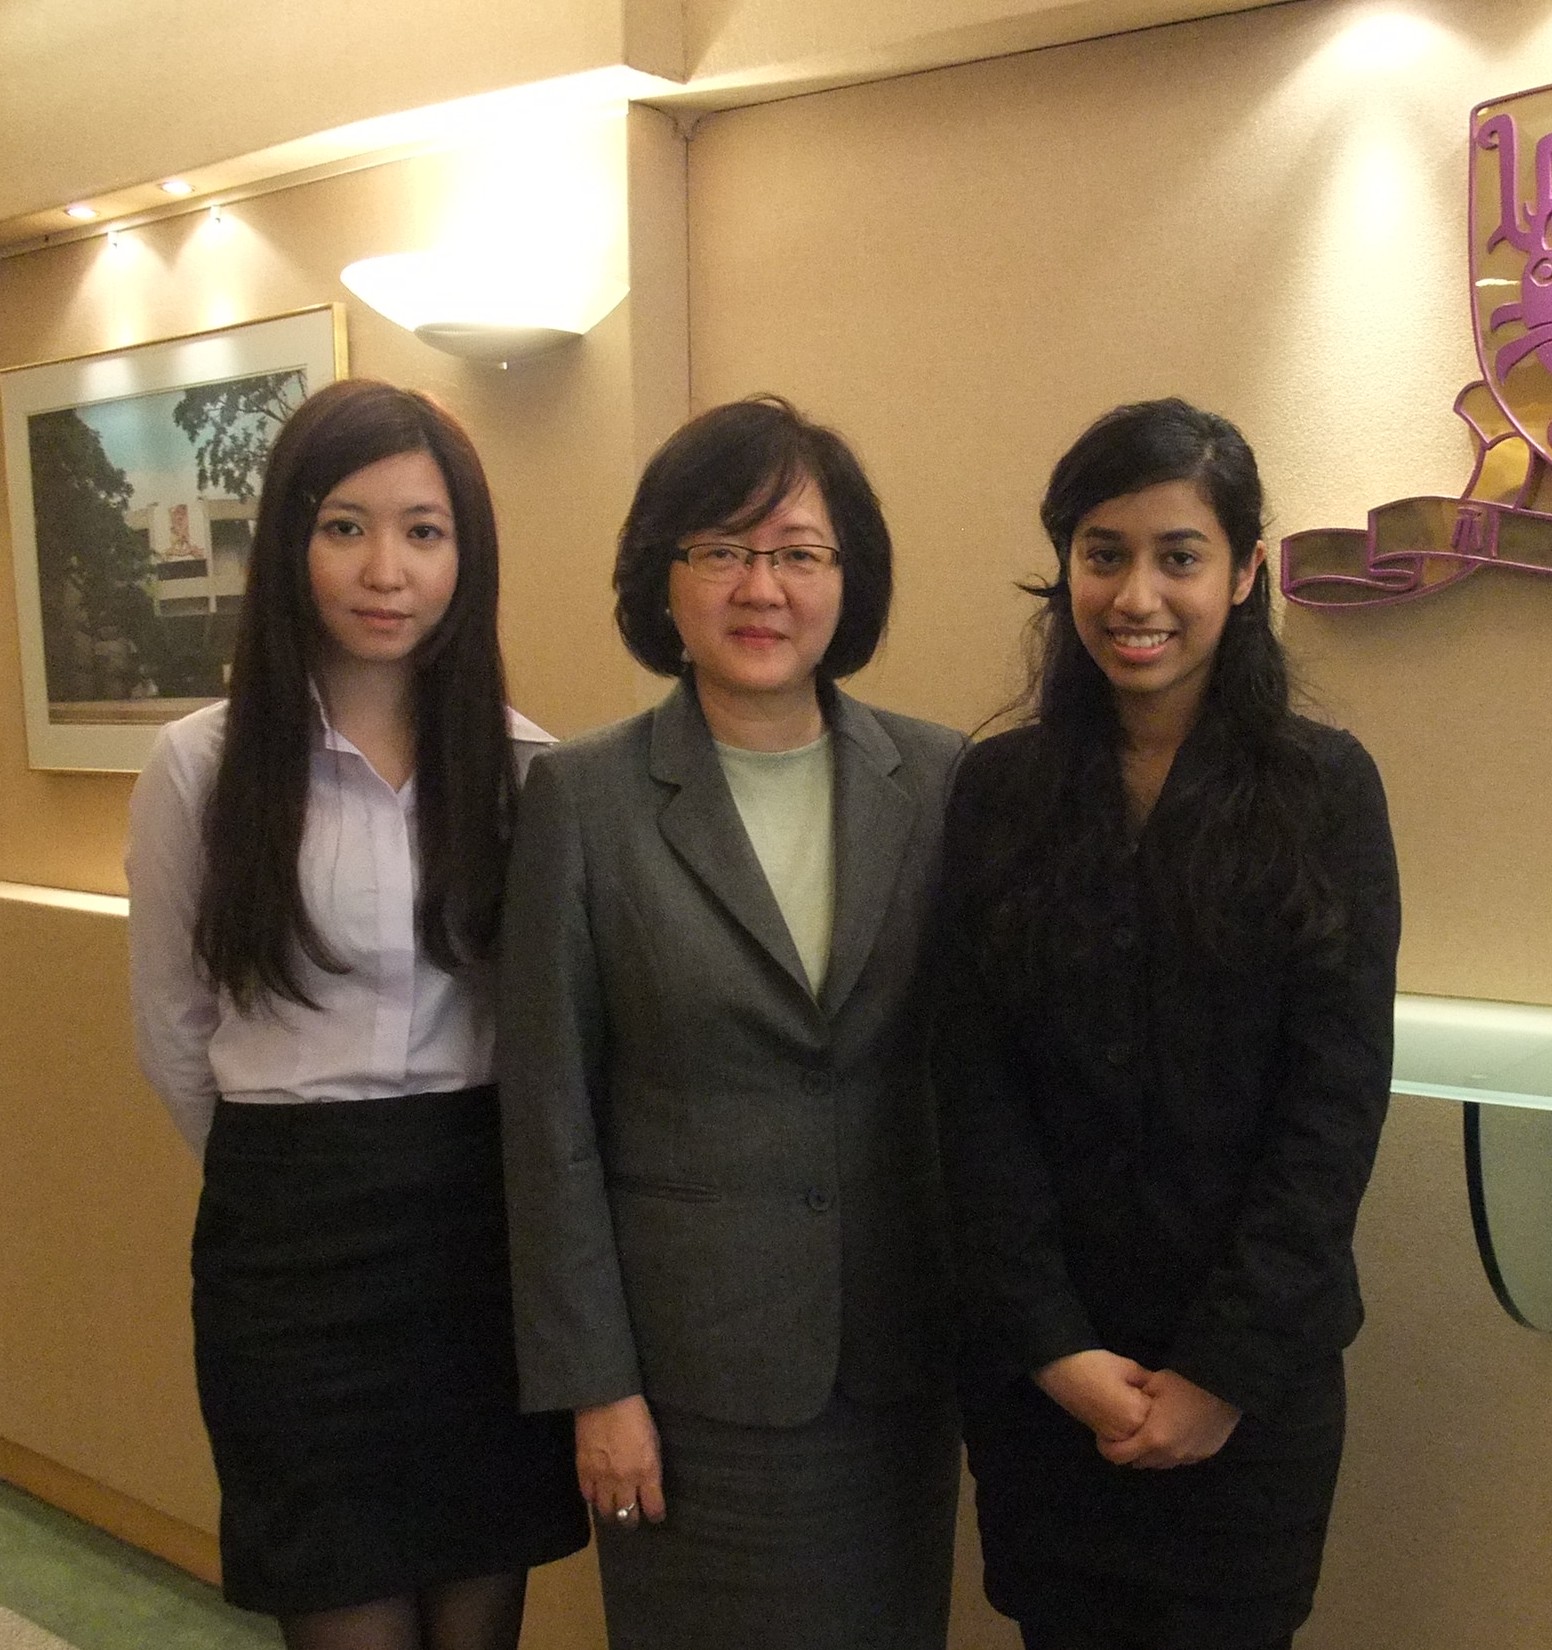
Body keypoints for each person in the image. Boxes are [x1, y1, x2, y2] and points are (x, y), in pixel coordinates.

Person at [932, 398, 1402, 1650]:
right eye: (1104, 553)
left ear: (1245, 572)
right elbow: (973, 1097)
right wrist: (1053, 1353)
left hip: (1251, 1395)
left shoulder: (1325, 791)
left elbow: (1333, 1110)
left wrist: (1218, 1377)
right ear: (1066, 569)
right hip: (1045, 1391)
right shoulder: (999, 792)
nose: (1137, 594)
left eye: (1178, 556)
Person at [126, 379, 587, 1650]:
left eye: (425, 531)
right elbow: (173, 1021)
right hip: (290, 1247)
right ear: (289, 542)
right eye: (346, 525)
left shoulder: (527, 768)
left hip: (481, 1232)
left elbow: (549, 1029)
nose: (386, 568)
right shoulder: (202, 769)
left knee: (479, 1616)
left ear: (465, 555)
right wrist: (276, 1179)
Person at [497, 395, 964, 1650]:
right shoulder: (583, 801)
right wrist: (600, 1387)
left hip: (896, 1368)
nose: (762, 585)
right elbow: (550, 1125)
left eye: (798, 552)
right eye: (720, 549)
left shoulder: (940, 781)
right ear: (666, 577)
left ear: (845, 580)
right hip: (689, 1389)